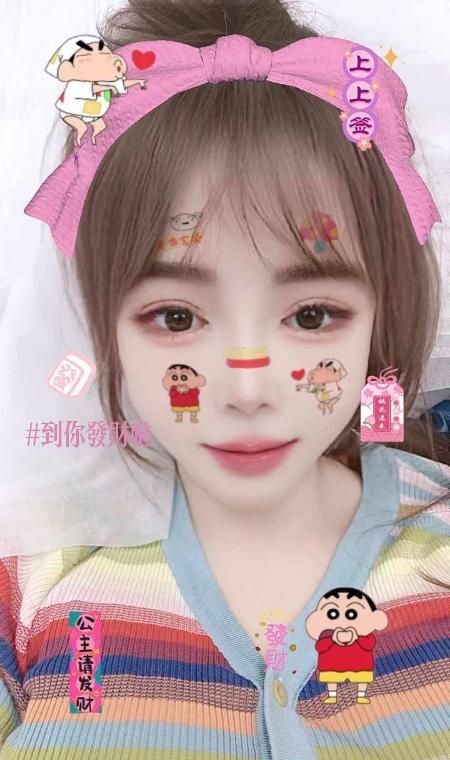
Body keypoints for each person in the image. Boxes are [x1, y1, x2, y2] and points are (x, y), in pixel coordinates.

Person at [1, 0, 449, 758]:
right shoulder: (30, 571)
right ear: (100, 321)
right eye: (175, 317)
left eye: (312, 315)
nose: (246, 391)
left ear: (382, 311)